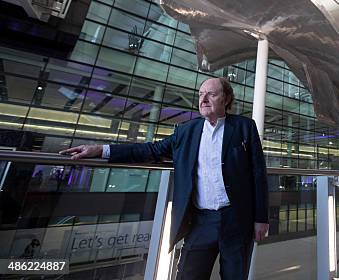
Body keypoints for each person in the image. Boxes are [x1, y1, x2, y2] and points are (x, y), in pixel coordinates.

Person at [60, 78, 268, 279]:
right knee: (188, 274)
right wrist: (101, 150)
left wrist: (261, 218)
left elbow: (259, 174)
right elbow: (150, 150)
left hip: (237, 220)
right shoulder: (187, 131)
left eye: (211, 94)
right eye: (200, 94)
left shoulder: (244, 127)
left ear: (226, 98)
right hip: (200, 221)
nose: (203, 99)